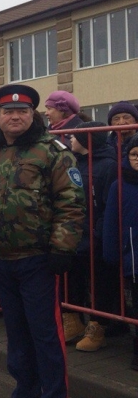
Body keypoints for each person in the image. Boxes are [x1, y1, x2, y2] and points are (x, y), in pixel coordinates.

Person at [0, 84, 85, 398]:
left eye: (23, 112)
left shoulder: (51, 152)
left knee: (45, 335)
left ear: (34, 115)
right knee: (16, 333)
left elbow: (71, 203)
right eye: (8, 112)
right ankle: (25, 393)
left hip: (37, 260)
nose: (15, 117)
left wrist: (62, 248)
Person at [63, 122, 118, 349]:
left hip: (95, 237)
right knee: (72, 280)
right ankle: (74, 321)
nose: (70, 140)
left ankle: (97, 327)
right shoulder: (74, 162)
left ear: (87, 140)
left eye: (74, 137)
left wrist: (98, 231)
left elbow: (108, 204)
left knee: (100, 284)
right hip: (75, 234)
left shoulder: (107, 166)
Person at [103, 133, 138, 372]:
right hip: (134, 258)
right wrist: (112, 252)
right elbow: (111, 222)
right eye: (135, 154)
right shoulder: (119, 184)